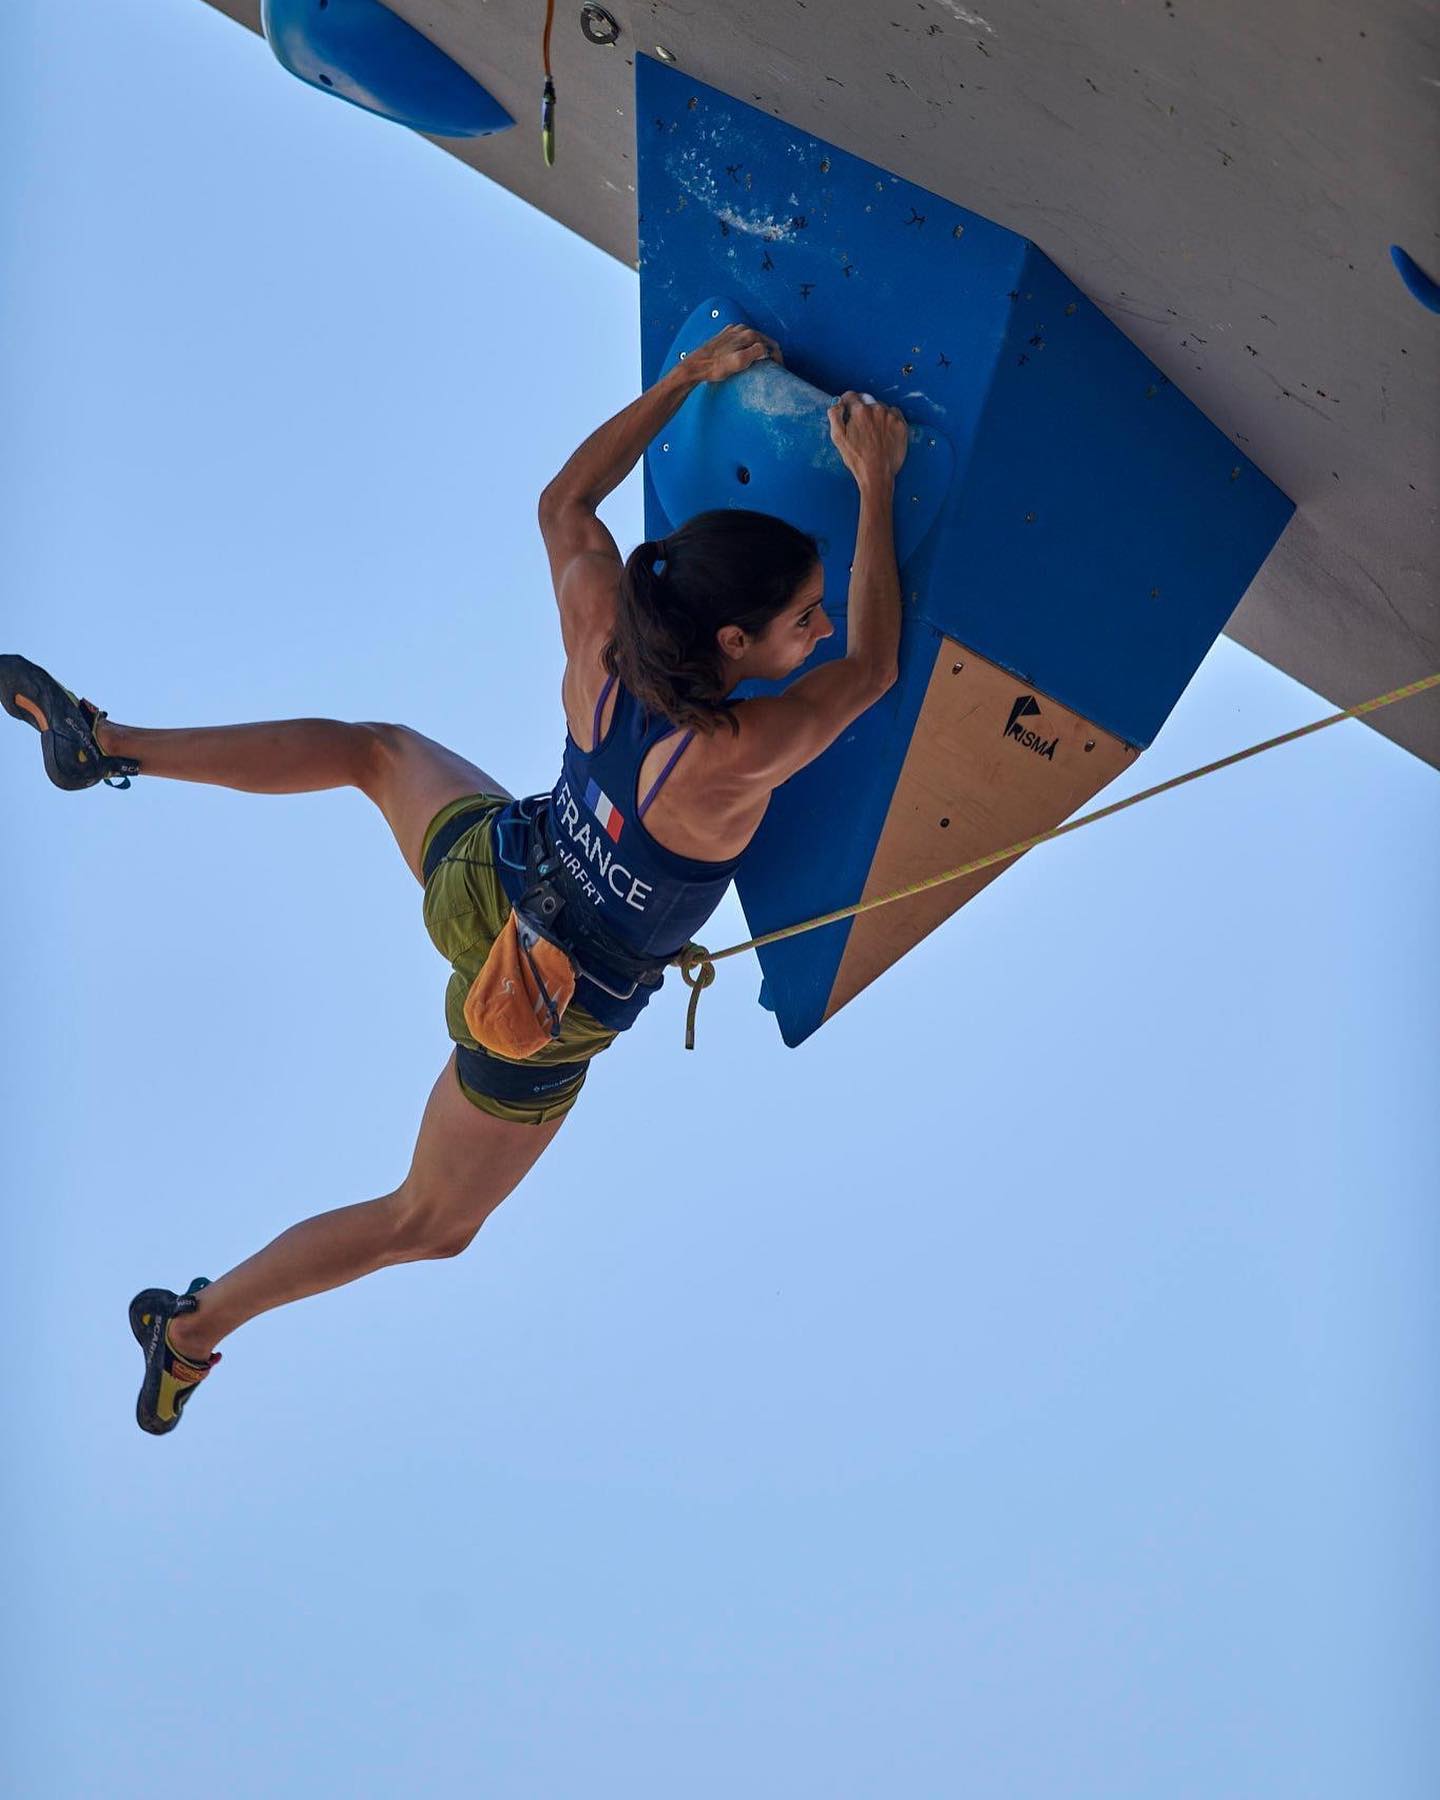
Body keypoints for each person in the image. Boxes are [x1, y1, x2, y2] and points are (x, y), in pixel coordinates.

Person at [0, 324, 909, 1435]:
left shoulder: (602, 639)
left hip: (497, 876)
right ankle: (185, 1335)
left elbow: (566, 508)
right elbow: (872, 670)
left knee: (372, 753)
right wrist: (875, 482)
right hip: (539, 1007)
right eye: (800, 617)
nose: (818, 630)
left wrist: (683, 379)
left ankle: (108, 743)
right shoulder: (734, 756)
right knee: (427, 1224)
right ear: (729, 639)